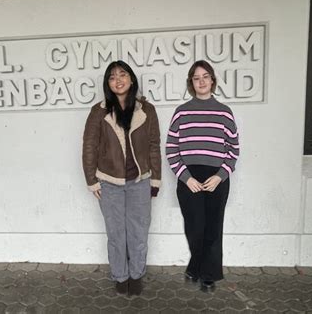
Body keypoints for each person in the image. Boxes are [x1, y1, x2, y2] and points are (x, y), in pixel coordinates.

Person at [82, 60, 161, 296]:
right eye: (112, 77)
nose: (118, 80)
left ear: (132, 79)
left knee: (139, 232)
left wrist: (155, 180)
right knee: (116, 234)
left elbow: (154, 146)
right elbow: (89, 147)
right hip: (109, 182)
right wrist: (91, 180)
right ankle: (120, 275)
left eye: (123, 74)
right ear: (108, 83)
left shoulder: (146, 110)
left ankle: (136, 275)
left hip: (140, 181)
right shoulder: (99, 111)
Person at [166, 60, 239, 292]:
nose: (201, 81)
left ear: (213, 80)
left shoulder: (225, 113)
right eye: (196, 78)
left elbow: (234, 150)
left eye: (205, 76)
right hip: (189, 178)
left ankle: (207, 275)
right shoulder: (181, 112)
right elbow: (171, 148)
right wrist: (186, 177)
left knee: (213, 228)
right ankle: (196, 266)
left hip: (217, 178)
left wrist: (220, 176)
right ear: (191, 83)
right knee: (195, 227)